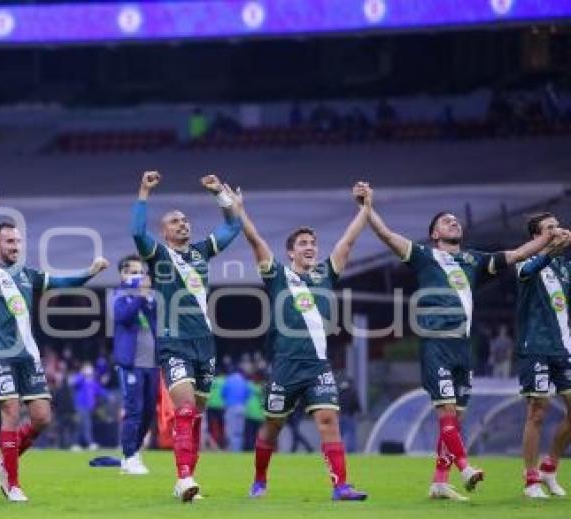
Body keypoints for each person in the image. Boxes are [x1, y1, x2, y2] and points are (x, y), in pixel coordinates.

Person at [365, 188, 556, 501]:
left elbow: (519, 254)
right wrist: (368, 207)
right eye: (445, 221)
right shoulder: (424, 256)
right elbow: (385, 234)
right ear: (434, 234)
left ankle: (440, 482)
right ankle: (465, 467)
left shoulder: (474, 260)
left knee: (458, 417)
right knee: (447, 412)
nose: (453, 222)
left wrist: (549, 238)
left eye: (455, 220)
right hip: (436, 343)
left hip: (462, 348)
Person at [234, 182, 369, 501]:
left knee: (327, 420)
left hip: (317, 366)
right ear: (291, 252)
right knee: (273, 426)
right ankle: (259, 480)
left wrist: (365, 208)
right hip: (284, 365)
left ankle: (340, 486)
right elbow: (255, 240)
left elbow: (347, 243)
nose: (310, 247)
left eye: (313, 243)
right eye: (303, 243)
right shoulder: (278, 276)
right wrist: (239, 210)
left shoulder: (325, 275)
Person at [0, 192, 108, 502]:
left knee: (41, 418)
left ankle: (3, 461)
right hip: (0, 354)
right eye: (9, 241)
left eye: (18, 241)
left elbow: (62, 283)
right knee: (10, 411)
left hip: (28, 355)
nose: (15, 246)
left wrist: (90, 272)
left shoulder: (27, 275)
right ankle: (12, 483)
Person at [131, 171, 241, 502]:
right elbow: (137, 231)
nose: (183, 225)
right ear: (164, 232)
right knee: (185, 408)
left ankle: (189, 480)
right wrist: (144, 192)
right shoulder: (159, 255)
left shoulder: (201, 252)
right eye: (175, 222)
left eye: (185, 221)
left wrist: (220, 193)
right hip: (174, 342)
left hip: (204, 343)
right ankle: (183, 478)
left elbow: (233, 226)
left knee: (196, 416)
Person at [513, 212, 571, 498]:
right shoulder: (526, 262)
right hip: (535, 345)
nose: (557, 230)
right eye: (549, 228)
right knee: (537, 411)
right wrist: (549, 249)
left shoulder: (563, 266)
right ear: (536, 237)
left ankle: (550, 469)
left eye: (557, 226)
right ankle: (531, 479)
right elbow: (527, 271)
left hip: (564, 347)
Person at [113, 254, 158, 474]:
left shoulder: (150, 297)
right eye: (132, 272)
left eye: (141, 272)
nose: (138, 276)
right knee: (134, 410)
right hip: (131, 364)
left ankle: (133, 453)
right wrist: (140, 295)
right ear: (122, 274)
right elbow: (123, 317)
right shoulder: (118, 295)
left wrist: (147, 298)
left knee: (149, 411)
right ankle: (129, 455)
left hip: (152, 363)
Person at [221, 367, 249, 452]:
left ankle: (232, 450)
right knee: (239, 431)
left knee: (231, 430)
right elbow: (248, 394)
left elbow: (223, 393)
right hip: (241, 407)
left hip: (231, 407)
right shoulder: (244, 381)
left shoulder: (228, 380)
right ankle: (238, 450)